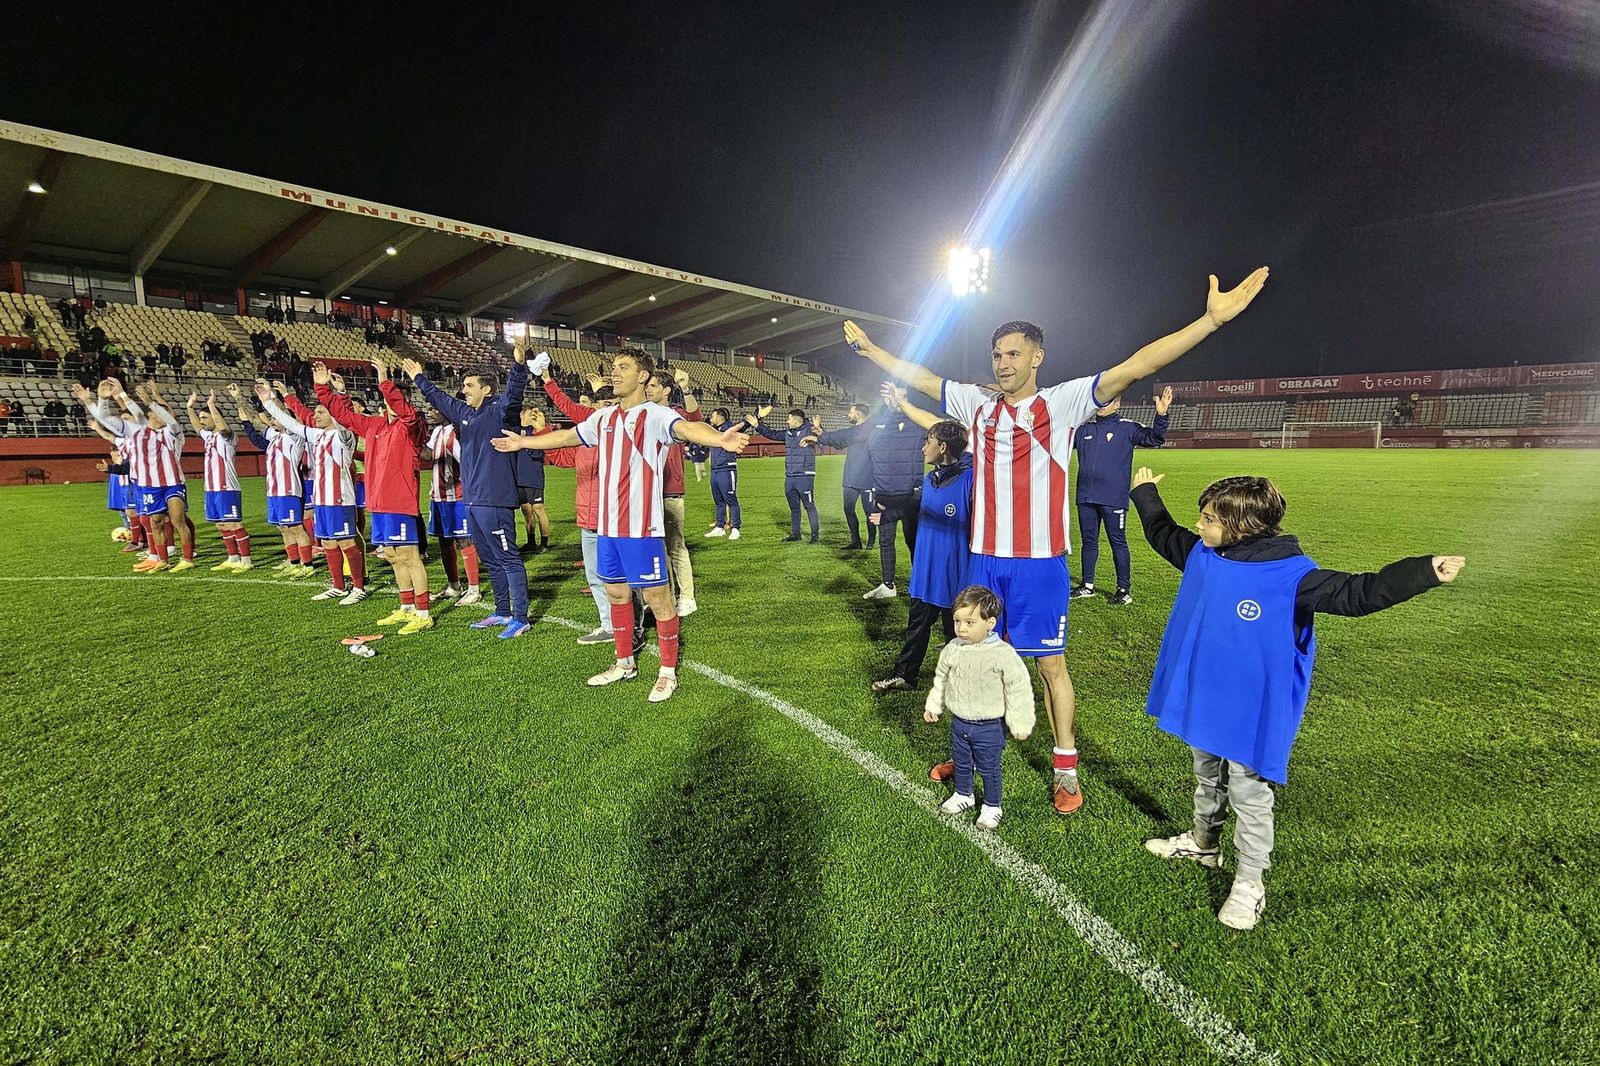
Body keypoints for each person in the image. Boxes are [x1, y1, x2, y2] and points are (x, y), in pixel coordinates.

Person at [841, 266, 1270, 815]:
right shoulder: (977, 406)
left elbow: (1138, 365)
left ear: (1036, 357)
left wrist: (1209, 322)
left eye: (1013, 354)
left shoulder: (1063, 403)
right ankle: (971, 752)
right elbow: (923, 378)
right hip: (983, 559)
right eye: (997, 355)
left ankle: (1065, 766)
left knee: (1050, 666)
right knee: (976, 658)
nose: (1003, 363)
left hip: (1039, 564)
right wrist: (872, 350)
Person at [1130, 467, 1465, 930]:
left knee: (1249, 792)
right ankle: (1204, 845)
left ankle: (1249, 883)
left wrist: (1423, 572)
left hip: (1252, 707)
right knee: (1206, 773)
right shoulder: (1206, 554)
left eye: (1209, 519)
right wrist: (1144, 493)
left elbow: (1358, 593)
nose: (1199, 526)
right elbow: (1164, 535)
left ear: (1241, 526)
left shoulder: (1292, 576)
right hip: (1205, 694)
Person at [494, 348, 750, 701]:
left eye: (623, 367)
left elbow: (688, 428)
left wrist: (720, 438)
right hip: (607, 528)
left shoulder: (655, 414)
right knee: (616, 594)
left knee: (658, 599)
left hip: (641, 529)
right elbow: (568, 436)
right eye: (614, 367)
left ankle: (667, 672)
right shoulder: (604, 418)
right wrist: (523, 441)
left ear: (643, 376)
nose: (614, 373)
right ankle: (624, 662)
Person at [402, 344, 533, 639]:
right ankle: (502, 611)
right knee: (490, 559)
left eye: (469, 385)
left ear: (486, 389)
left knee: (508, 558)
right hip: (472, 500)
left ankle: (521, 617)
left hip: (495, 500)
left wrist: (518, 366)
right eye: (463, 386)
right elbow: (440, 398)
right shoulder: (465, 414)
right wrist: (419, 378)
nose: (463, 391)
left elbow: (514, 395)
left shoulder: (500, 411)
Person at [317, 358, 433, 633]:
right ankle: (406, 607)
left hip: (400, 502)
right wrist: (323, 389)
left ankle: (424, 612)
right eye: (387, 400)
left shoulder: (412, 425)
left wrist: (384, 381)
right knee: (392, 554)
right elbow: (343, 416)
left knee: (410, 556)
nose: (390, 404)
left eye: (396, 399)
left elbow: (405, 412)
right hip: (378, 503)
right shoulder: (374, 426)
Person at [538, 363, 647, 651]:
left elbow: (570, 407)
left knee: (625, 577)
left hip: (614, 517)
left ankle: (634, 626)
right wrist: (541, 432)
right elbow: (562, 459)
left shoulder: (620, 434)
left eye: (607, 404)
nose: (600, 410)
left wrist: (549, 382)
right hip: (587, 518)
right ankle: (610, 625)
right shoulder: (586, 438)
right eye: (598, 405)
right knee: (597, 577)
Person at [870, 392, 973, 694]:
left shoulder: (970, 480)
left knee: (959, 630)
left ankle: (966, 681)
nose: (922, 447)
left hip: (955, 572)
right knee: (916, 626)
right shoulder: (930, 479)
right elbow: (914, 507)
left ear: (943, 447)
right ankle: (905, 675)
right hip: (926, 570)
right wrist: (887, 516)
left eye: (928, 441)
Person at [922, 585, 1035, 832]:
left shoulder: (1002, 654)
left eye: (969, 622)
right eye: (957, 621)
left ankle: (993, 806)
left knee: (988, 767)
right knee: (962, 763)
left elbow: (1018, 688)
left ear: (990, 623)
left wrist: (1020, 723)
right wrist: (934, 704)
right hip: (959, 722)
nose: (961, 628)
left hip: (989, 727)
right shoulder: (953, 649)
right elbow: (942, 678)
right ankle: (964, 794)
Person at [258, 379, 369, 606]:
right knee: (327, 542)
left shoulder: (345, 436)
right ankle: (338, 586)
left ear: (333, 415)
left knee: (346, 542)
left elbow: (344, 416)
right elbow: (290, 422)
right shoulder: (317, 435)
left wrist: (339, 394)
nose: (315, 416)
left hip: (340, 499)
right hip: (321, 499)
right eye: (315, 412)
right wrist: (269, 402)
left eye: (320, 412)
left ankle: (358, 588)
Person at [804, 392, 924, 598]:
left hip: (912, 495)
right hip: (884, 493)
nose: (897, 399)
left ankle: (920, 584)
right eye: (893, 396)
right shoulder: (875, 425)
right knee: (886, 541)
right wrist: (819, 438)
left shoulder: (918, 422)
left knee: (913, 541)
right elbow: (848, 435)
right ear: (886, 399)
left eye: (902, 395)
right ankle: (888, 585)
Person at [79, 379, 195, 573]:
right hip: (149, 486)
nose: (161, 416)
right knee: (155, 522)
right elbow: (106, 419)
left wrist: (148, 402)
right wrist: (101, 399)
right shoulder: (137, 433)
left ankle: (187, 558)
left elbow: (171, 420)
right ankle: (162, 560)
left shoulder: (172, 432)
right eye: (157, 414)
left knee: (177, 520)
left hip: (173, 483)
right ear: (149, 418)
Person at [1070, 386, 1172, 605]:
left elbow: (1155, 438)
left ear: (1117, 404)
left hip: (1113, 498)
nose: (1101, 405)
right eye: (1100, 401)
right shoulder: (1083, 430)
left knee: (1118, 542)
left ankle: (1123, 590)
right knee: (1089, 542)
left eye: (1107, 401)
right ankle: (1087, 585)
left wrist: (1161, 415)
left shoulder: (1127, 428)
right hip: (1086, 496)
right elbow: (1058, 444)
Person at [231, 383, 315, 576]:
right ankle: (294, 562)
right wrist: (239, 398)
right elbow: (254, 420)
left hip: (289, 490)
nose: (272, 421)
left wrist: (272, 399)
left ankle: (308, 565)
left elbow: (283, 415)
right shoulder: (274, 437)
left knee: (296, 527)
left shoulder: (295, 437)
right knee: (283, 527)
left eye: (275, 418)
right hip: (274, 491)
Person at [644, 366, 702, 615]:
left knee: (675, 547)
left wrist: (686, 388)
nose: (648, 389)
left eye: (653, 385)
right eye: (647, 385)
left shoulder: (675, 414)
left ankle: (687, 597)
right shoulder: (642, 413)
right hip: (645, 491)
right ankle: (664, 597)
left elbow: (695, 422)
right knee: (655, 550)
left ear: (667, 390)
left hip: (669, 490)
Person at [185, 389, 253, 571]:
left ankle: (246, 561)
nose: (201, 421)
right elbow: (197, 428)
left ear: (215, 418)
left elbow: (222, 427)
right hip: (211, 488)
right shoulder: (209, 437)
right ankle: (232, 557)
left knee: (234, 523)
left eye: (205, 418)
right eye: (201, 418)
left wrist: (211, 405)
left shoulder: (228, 436)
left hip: (227, 487)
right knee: (220, 523)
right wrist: (190, 408)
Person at [421, 406, 482, 606]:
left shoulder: (457, 433)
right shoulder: (438, 431)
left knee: (464, 540)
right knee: (444, 541)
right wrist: (414, 439)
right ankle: (454, 586)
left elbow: (467, 462)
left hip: (457, 496)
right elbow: (427, 455)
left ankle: (474, 589)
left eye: (433, 409)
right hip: (438, 496)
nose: (430, 413)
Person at [752, 405, 821, 543]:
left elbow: (819, 435)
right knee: (794, 508)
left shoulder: (809, 429)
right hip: (790, 476)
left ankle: (815, 535)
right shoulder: (788, 433)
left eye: (789, 419)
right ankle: (796, 534)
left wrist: (818, 427)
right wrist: (758, 425)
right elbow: (772, 434)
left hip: (804, 475)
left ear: (796, 420)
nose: (787, 421)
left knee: (809, 506)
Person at [703, 407, 750, 541]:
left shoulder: (731, 429)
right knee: (718, 501)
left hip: (727, 469)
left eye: (713, 416)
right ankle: (719, 527)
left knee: (731, 500)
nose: (711, 418)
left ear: (720, 417)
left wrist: (757, 416)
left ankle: (736, 528)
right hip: (715, 469)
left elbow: (744, 425)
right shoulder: (714, 430)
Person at [834, 403, 876, 550]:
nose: (849, 415)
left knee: (869, 512)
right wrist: (820, 431)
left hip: (867, 478)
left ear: (858, 414)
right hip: (850, 478)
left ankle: (871, 541)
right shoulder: (852, 432)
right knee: (848, 509)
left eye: (851, 412)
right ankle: (856, 541)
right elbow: (839, 444)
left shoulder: (873, 431)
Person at [512, 407, 551, 555]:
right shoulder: (515, 431)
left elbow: (539, 453)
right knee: (526, 511)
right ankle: (531, 542)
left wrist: (526, 443)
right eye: (530, 414)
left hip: (533, 477)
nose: (533, 416)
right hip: (519, 477)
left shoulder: (536, 432)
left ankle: (544, 543)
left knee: (538, 509)